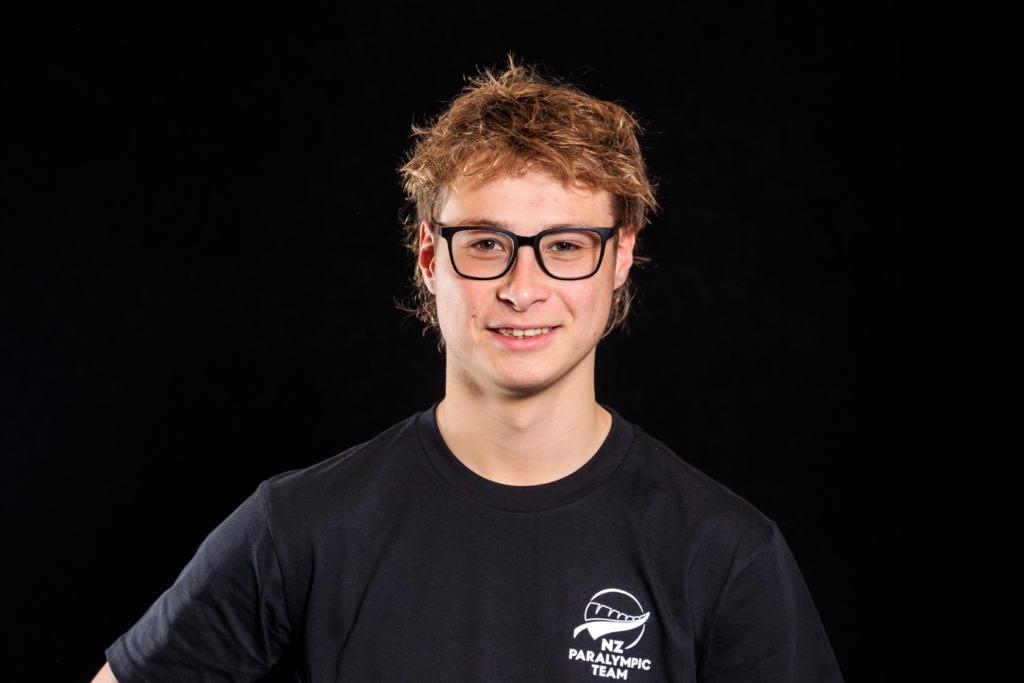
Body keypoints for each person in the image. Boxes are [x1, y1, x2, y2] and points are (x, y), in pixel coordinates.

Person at [92, 60, 843, 683]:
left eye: (566, 245)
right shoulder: (301, 528)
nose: (523, 287)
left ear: (618, 258)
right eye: (485, 244)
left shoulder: (726, 554)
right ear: (429, 258)